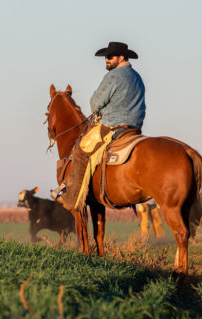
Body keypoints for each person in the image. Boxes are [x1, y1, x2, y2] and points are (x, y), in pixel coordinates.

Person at [58, 42, 147, 213]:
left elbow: (95, 103)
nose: (106, 60)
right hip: (134, 127)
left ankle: (72, 198)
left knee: (81, 150)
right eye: (105, 57)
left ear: (120, 57)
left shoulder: (113, 76)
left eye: (109, 57)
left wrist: (98, 112)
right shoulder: (137, 77)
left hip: (113, 126)